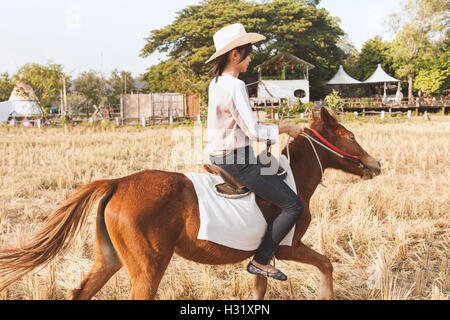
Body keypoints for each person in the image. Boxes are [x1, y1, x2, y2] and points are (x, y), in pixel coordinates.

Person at [205, 23, 304, 281]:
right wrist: (286, 128)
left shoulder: (215, 83)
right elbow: (255, 131)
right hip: (238, 160)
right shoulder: (236, 87)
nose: (250, 59)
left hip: (218, 155)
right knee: (294, 206)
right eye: (247, 53)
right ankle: (260, 261)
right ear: (234, 55)